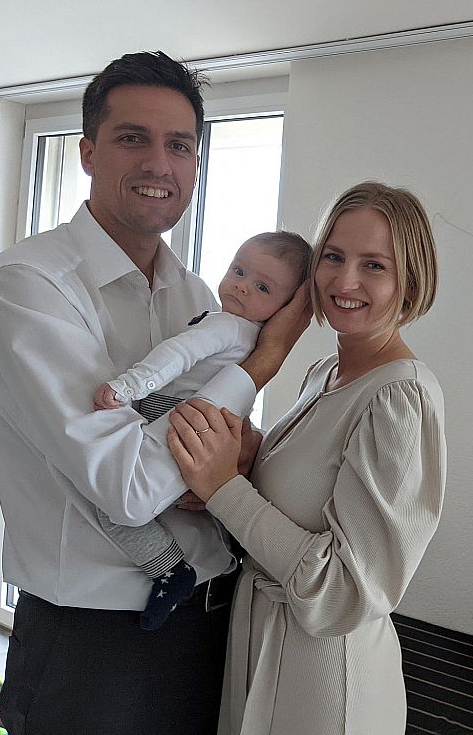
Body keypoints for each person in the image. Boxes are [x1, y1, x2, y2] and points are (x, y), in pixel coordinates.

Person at [0, 51, 309, 734]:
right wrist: (262, 365)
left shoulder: (199, 295)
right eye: (133, 138)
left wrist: (227, 462)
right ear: (89, 152)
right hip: (93, 644)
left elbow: (226, 454)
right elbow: (127, 486)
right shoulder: (29, 286)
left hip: (211, 616)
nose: (159, 163)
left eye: (179, 145)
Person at [168, 181, 446, 735]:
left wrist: (226, 490)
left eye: (374, 265)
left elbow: (346, 591)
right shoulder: (325, 374)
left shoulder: (399, 398)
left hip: (323, 677)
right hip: (261, 644)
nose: (345, 281)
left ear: (410, 282)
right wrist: (248, 460)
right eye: (333, 257)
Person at [93, 231, 311, 630]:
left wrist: (127, 387)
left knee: (113, 507)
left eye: (262, 287)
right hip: (202, 433)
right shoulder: (251, 341)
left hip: (175, 422)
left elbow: (175, 356)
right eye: (239, 270)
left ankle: (169, 570)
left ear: (288, 309)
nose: (242, 286)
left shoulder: (226, 327)